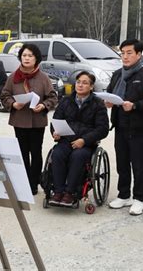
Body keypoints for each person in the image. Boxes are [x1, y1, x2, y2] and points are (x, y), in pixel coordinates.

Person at [105, 39, 143, 216]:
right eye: (122, 53)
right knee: (122, 162)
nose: (125, 56)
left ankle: (138, 198)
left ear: (138, 54)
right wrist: (108, 101)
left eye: (129, 53)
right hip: (120, 125)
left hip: (138, 127)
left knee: (137, 163)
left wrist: (134, 106)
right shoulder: (117, 75)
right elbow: (110, 92)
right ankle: (124, 194)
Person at [0, 43, 58, 195]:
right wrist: (13, 104)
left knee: (36, 152)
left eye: (30, 56)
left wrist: (44, 105)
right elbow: (4, 95)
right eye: (24, 55)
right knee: (22, 153)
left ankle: (34, 183)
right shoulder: (13, 77)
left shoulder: (43, 77)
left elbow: (53, 97)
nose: (26, 58)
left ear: (36, 59)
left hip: (37, 121)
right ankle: (23, 181)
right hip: (19, 120)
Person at [49, 71, 109, 206]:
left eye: (85, 83)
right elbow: (56, 121)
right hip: (66, 140)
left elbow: (103, 129)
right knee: (57, 154)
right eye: (78, 82)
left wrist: (84, 140)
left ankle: (70, 193)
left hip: (86, 143)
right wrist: (55, 132)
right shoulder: (66, 101)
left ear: (92, 86)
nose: (80, 85)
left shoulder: (98, 104)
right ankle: (58, 191)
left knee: (78, 156)